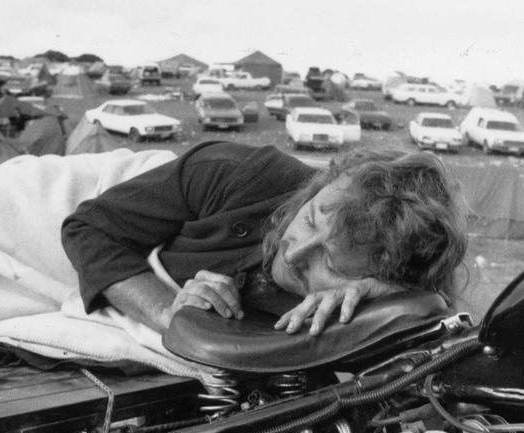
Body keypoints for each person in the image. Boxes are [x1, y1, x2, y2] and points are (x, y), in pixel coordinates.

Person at [61, 140, 466, 337]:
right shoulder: (241, 172)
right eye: (308, 221)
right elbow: (87, 227)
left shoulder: (379, 289)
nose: (294, 253)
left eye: (330, 263)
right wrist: (169, 312)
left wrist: (391, 300)